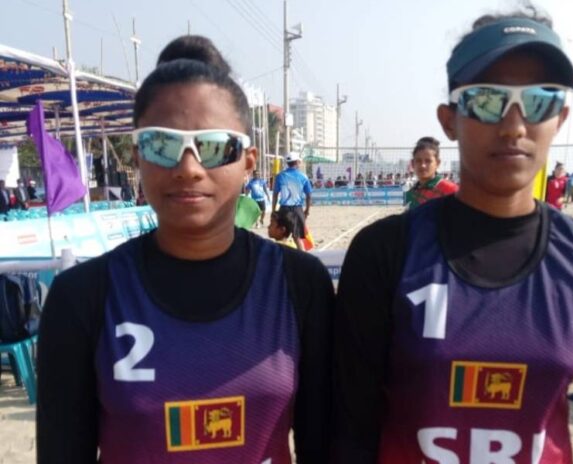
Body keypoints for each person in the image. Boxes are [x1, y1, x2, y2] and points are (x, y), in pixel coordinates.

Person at [333, 7, 573, 463]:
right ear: (449, 119)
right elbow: (349, 435)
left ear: (560, 118)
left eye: (539, 100)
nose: (514, 125)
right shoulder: (385, 252)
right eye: (486, 99)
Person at [37, 35, 333, 464]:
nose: (189, 168)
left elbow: (322, 444)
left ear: (249, 161)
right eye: (162, 145)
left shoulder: (300, 284)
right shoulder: (82, 297)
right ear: (137, 156)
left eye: (213, 146)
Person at [403, 136, 458, 209]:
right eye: (418, 161)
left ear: (437, 163)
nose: (423, 165)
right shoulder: (411, 194)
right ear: (413, 164)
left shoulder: (451, 190)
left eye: (428, 161)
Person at [272, 152, 312, 250]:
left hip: (284, 209)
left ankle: (281, 258)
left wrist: (273, 210)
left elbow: (275, 194)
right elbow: (309, 195)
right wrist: (307, 210)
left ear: (287, 163)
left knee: (282, 238)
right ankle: (302, 257)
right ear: (297, 162)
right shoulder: (303, 176)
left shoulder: (280, 176)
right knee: (297, 238)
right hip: (297, 209)